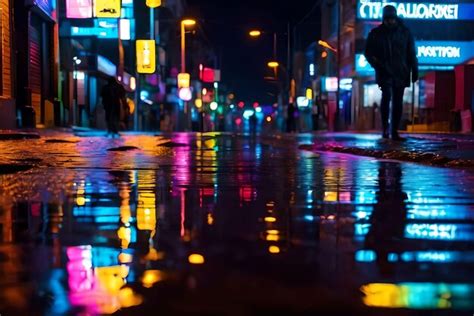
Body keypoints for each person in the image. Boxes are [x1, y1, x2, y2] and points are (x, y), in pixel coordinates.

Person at [365, 5, 418, 141]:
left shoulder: (405, 32)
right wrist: (377, 65)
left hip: (401, 71)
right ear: (384, 19)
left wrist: (414, 69)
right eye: (387, 19)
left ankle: (394, 130)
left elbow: (411, 53)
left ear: (395, 18)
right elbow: (368, 53)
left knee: (398, 101)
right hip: (384, 71)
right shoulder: (376, 33)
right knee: (387, 96)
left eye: (392, 19)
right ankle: (385, 129)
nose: (390, 21)